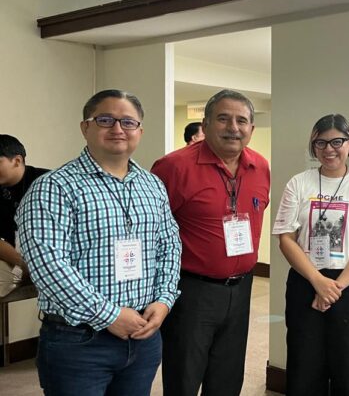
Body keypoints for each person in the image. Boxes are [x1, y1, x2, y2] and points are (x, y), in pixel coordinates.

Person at [15, 89, 182, 396]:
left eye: (128, 122)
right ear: (85, 127)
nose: (118, 129)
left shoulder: (152, 185)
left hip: (143, 336)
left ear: (140, 131)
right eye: (105, 120)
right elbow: (48, 265)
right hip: (78, 342)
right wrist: (108, 315)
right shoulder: (53, 187)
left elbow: (169, 245)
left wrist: (164, 300)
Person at [152, 89, 270, 396]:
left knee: (228, 376)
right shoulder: (174, 167)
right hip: (191, 290)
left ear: (251, 128)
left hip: (242, 287)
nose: (233, 128)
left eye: (241, 121)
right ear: (205, 124)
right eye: (223, 118)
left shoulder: (260, 167)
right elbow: (152, 233)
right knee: (184, 376)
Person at [273, 114, 349, 396]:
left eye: (337, 142)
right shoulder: (299, 183)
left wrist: (335, 288)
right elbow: (286, 238)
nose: (328, 149)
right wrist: (318, 281)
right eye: (320, 143)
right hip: (306, 281)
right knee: (304, 366)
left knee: (348, 368)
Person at [0, 134, 48, 276]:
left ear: (17, 161)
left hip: (53, 258)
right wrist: (22, 263)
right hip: (15, 258)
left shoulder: (48, 183)